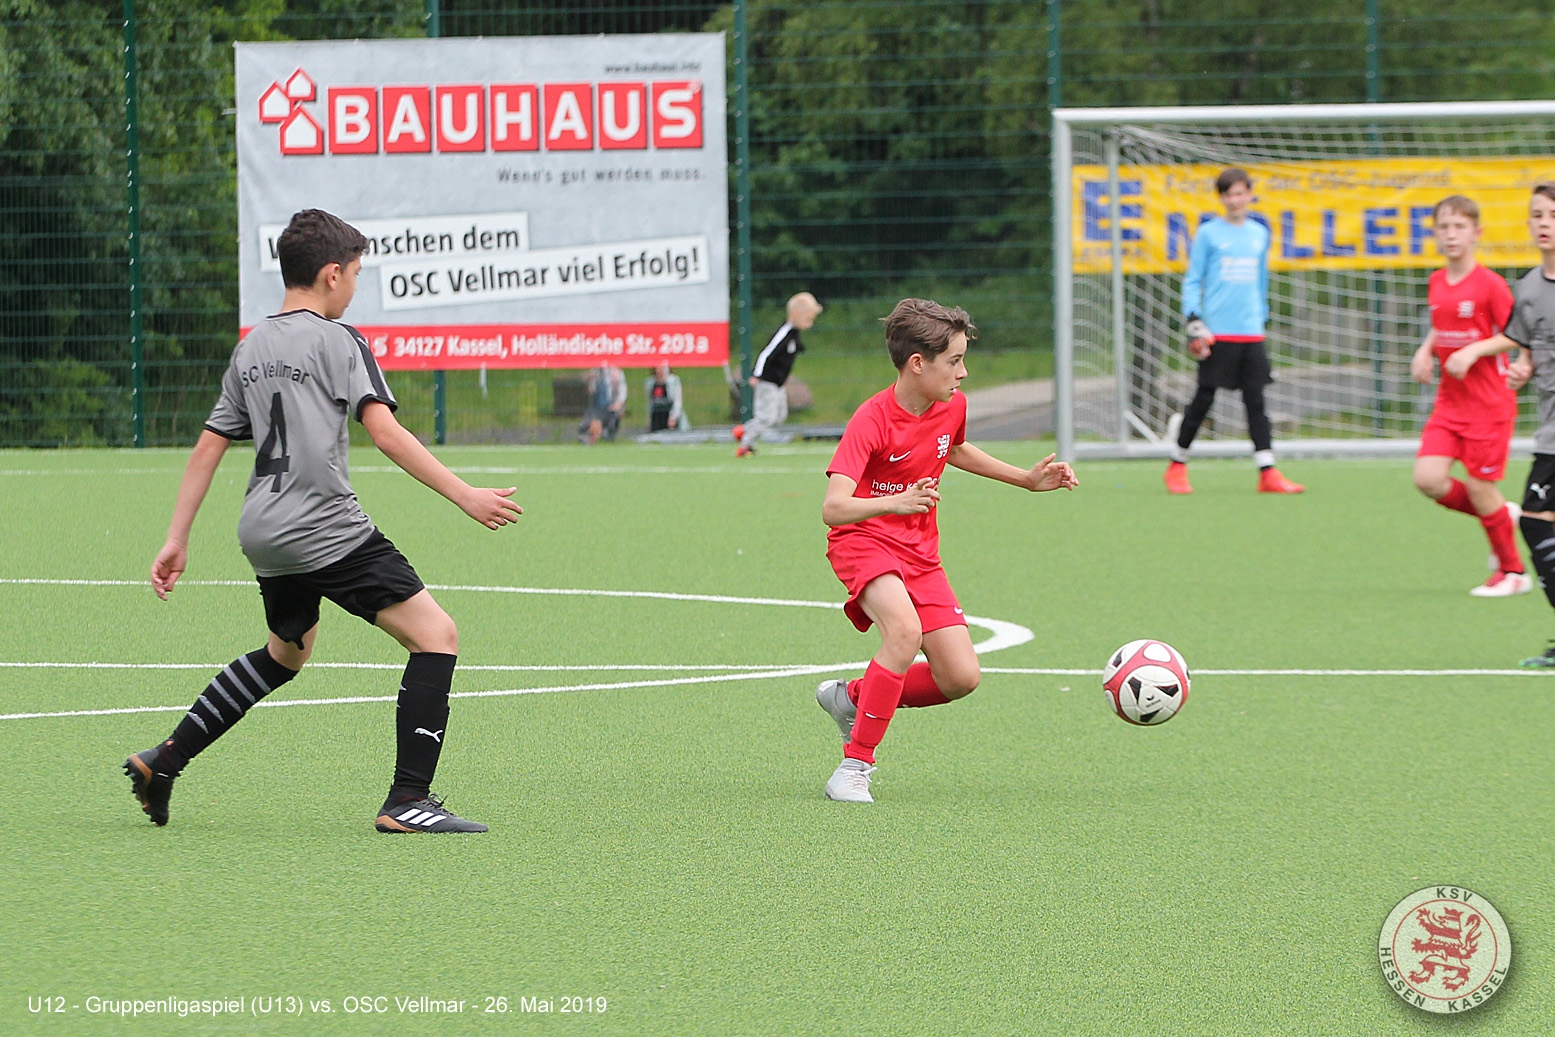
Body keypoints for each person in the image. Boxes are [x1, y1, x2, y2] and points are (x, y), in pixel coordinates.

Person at [124, 209, 522, 833]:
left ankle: (165, 760)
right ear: (333, 274)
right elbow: (385, 432)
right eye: (356, 274)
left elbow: (207, 447)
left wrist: (177, 538)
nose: (355, 287)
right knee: (436, 635)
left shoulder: (251, 346)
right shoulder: (340, 341)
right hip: (324, 527)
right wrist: (464, 494)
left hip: (264, 531)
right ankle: (408, 800)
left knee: (286, 654)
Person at [813, 298, 1078, 803]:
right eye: (954, 361)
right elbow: (834, 507)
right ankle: (854, 767)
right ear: (918, 363)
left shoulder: (951, 405)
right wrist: (895, 503)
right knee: (903, 632)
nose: (963, 372)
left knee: (960, 677)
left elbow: (952, 448)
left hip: (919, 553)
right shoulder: (871, 419)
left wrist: (1025, 479)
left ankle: (851, 697)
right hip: (863, 541)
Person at [1409, 194, 1527, 597]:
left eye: (1459, 226)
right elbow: (1440, 323)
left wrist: (1475, 351)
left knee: (1479, 487)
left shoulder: (1490, 284)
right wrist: (1425, 350)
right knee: (1428, 479)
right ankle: (1501, 515)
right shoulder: (1437, 281)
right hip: (1449, 403)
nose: (1451, 234)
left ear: (1476, 233)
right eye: (1443, 227)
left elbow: (1516, 333)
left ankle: (1513, 572)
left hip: (1488, 405)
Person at [1165, 168, 1304, 495]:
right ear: (1221, 198)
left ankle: (1267, 471)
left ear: (1250, 194)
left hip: (1251, 330)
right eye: (1228, 194)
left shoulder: (1258, 233)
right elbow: (1193, 279)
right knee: (1204, 399)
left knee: (1256, 400)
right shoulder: (1209, 233)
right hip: (1217, 331)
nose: (1235, 200)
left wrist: (1262, 315)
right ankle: (1177, 464)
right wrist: (1194, 320)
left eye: (1240, 193)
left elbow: (1261, 279)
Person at [1466, 183, 1555, 665]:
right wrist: (1524, 367)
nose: (1545, 224)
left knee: (1537, 523)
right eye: (1538, 215)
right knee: (1539, 526)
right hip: (1549, 429)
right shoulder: (1529, 287)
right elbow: (1530, 346)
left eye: (1553, 215)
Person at [735, 291, 822, 457]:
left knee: (780, 416)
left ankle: (744, 430)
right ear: (795, 315)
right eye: (808, 319)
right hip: (767, 382)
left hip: (779, 384)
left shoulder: (794, 335)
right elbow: (766, 354)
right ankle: (745, 444)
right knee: (766, 417)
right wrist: (757, 375)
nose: (810, 323)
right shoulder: (783, 333)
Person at [577, 361, 627, 443]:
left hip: (611, 405)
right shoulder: (594, 372)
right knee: (588, 421)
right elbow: (590, 392)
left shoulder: (616, 373)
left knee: (613, 418)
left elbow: (622, 391)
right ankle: (590, 435)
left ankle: (606, 434)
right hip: (596, 406)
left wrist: (619, 403)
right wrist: (590, 380)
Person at [645, 361, 689, 432]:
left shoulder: (673, 381)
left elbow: (677, 401)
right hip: (656, 415)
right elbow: (650, 402)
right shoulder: (650, 382)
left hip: (669, 414)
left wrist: (673, 417)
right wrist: (649, 419)